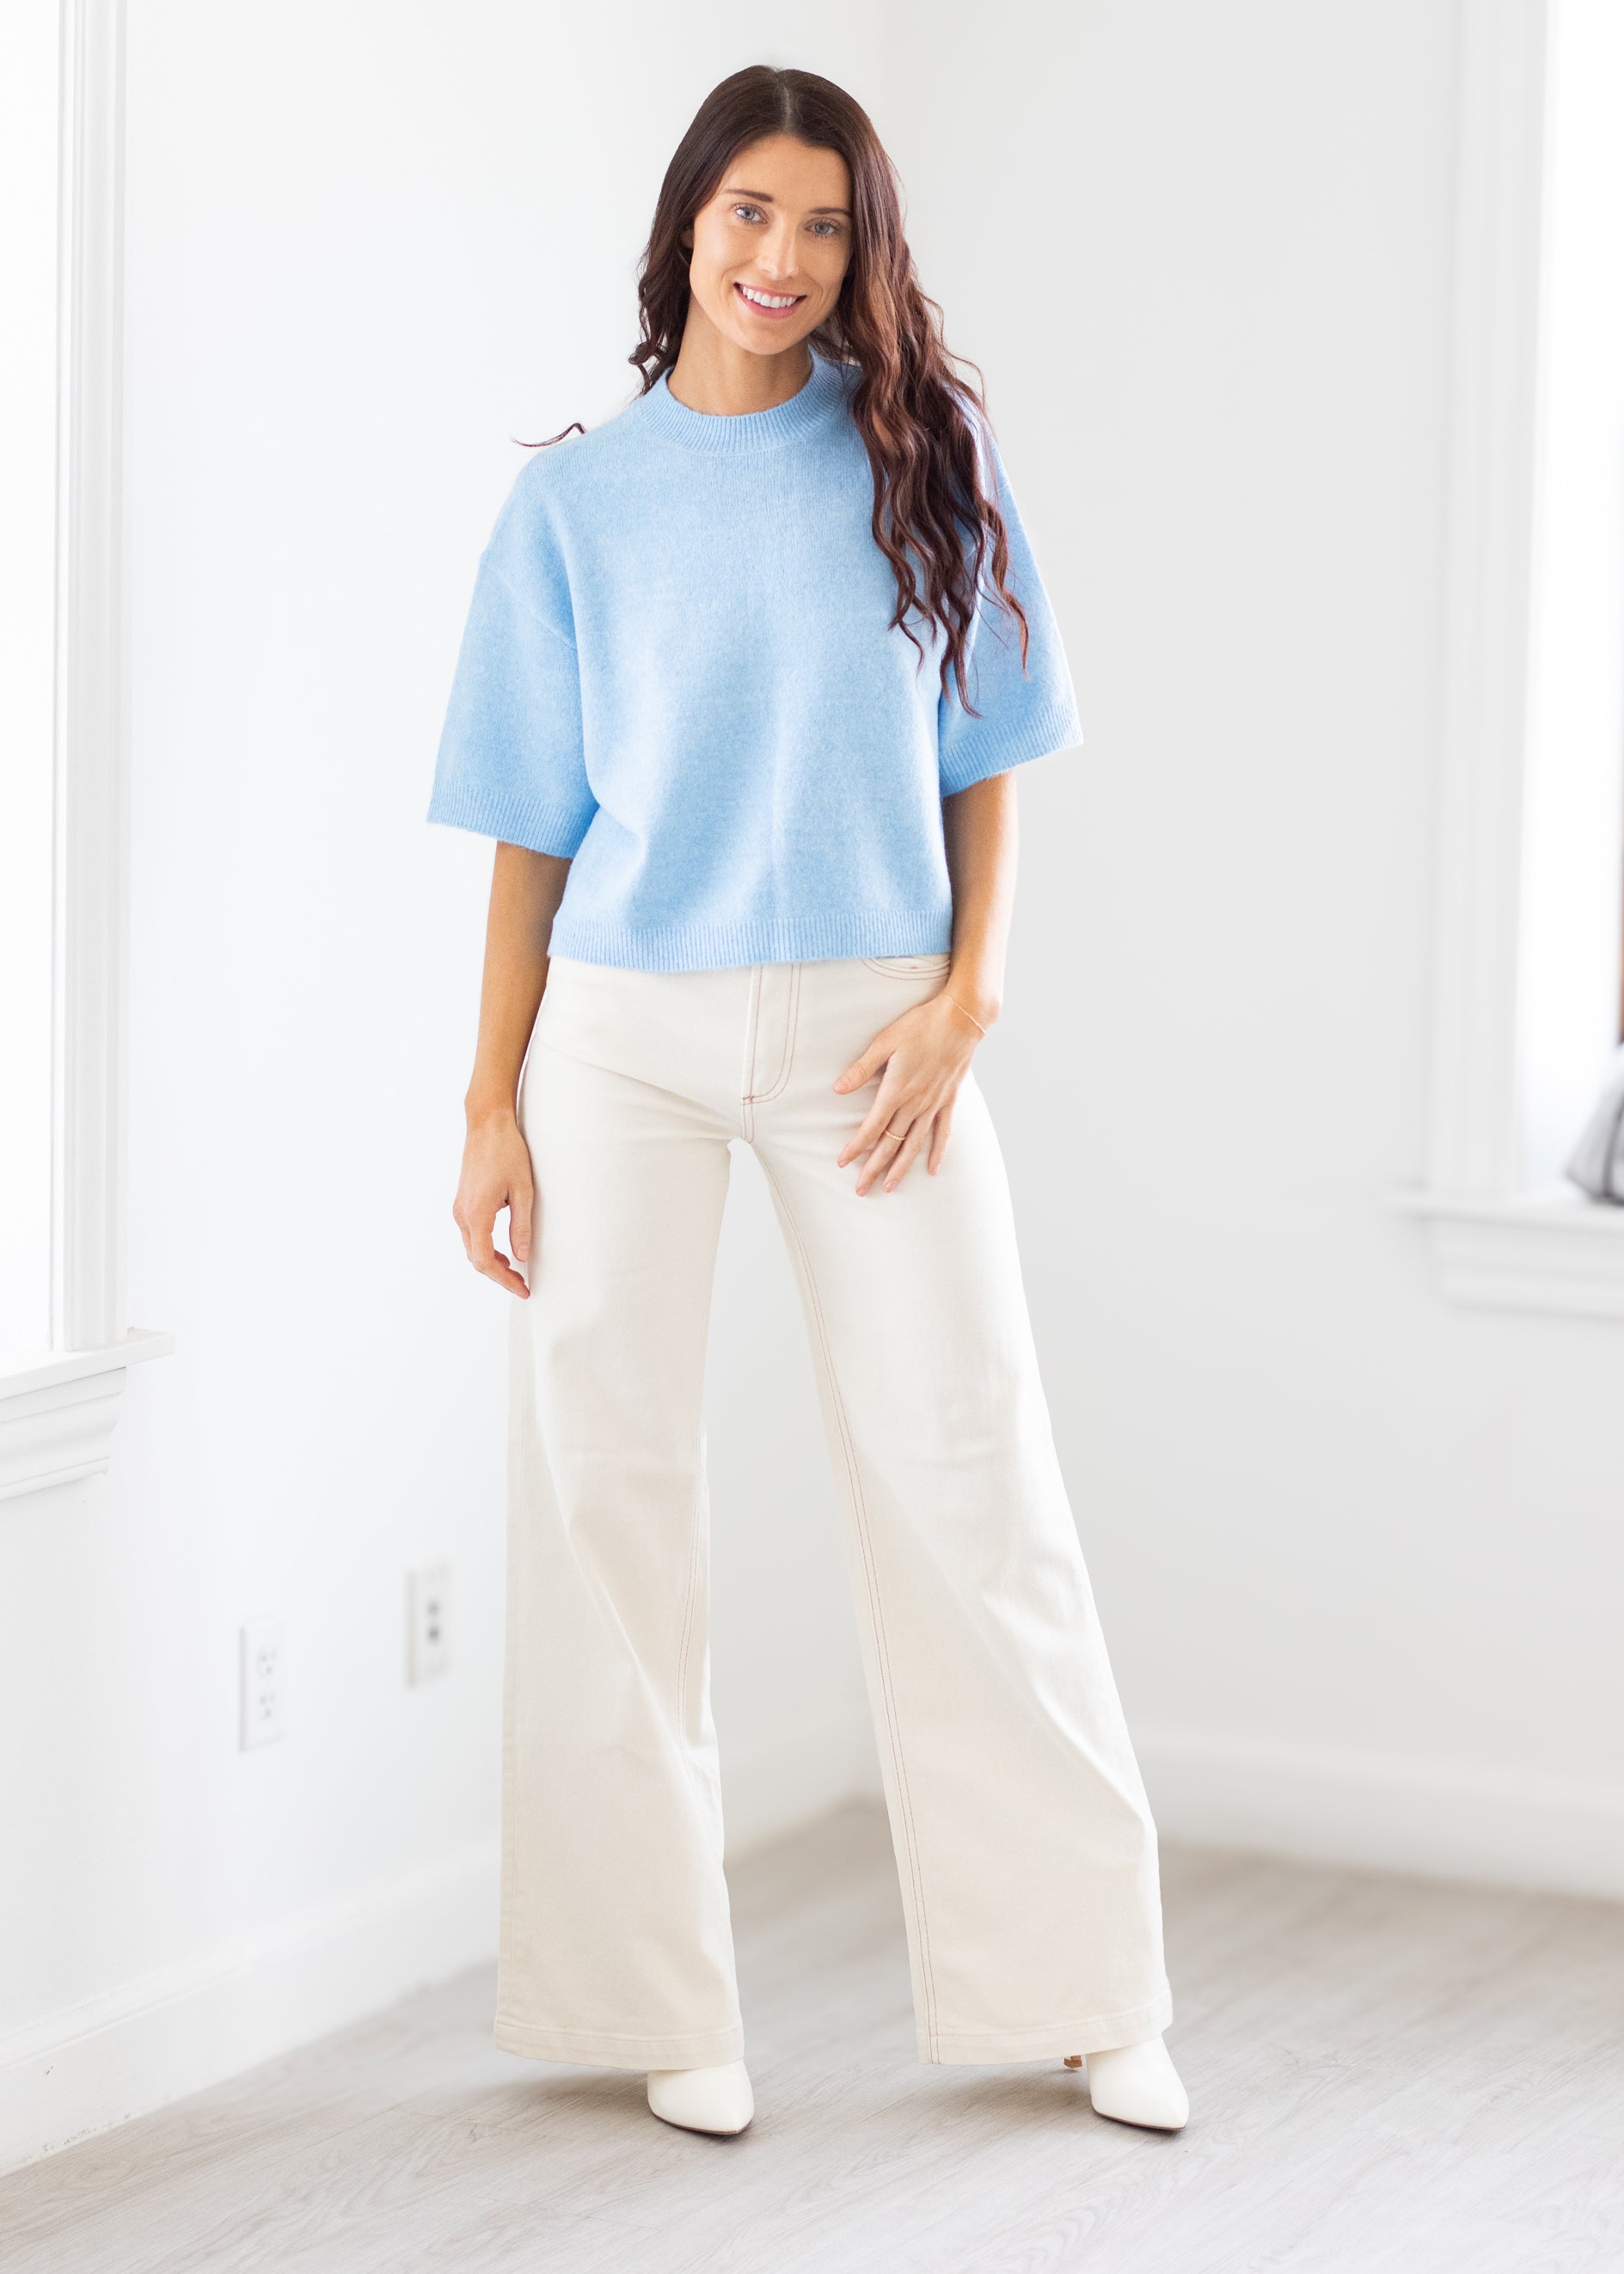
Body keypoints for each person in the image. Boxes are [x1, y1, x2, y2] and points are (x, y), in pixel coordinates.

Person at [429, 63, 1189, 2140]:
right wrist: (489, 1105)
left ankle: (1088, 1988)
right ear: (687, 221)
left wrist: (973, 996)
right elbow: (526, 824)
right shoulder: (573, 507)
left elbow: (992, 754)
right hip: (626, 1043)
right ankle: (653, 1999)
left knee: (974, 1470)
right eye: (752, 214)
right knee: (607, 1500)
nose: (784, 260)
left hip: (878, 1029)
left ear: (865, 253)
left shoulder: (921, 455)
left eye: (828, 226)